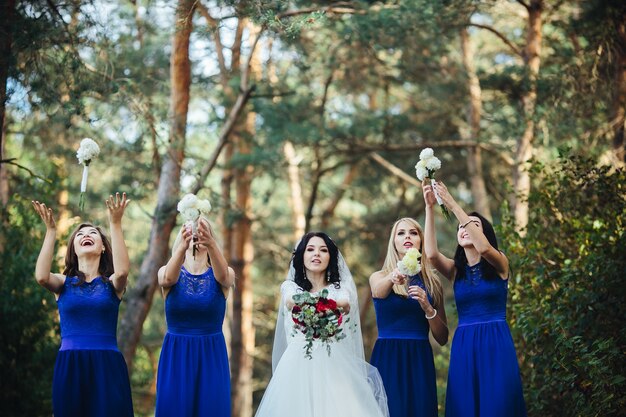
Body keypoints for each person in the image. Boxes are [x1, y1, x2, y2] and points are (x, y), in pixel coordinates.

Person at [255, 232, 389, 417]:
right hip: (296, 366)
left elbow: (345, 303)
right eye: (310, 249)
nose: (316, 254)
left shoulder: (340, 288)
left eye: (323, 250)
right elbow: (292, 301)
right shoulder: (290, 287)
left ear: (330, 257)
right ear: (302, 256)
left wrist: (319, 303)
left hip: (335, 366)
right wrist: (328, 304)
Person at [422, 180, 526, 416]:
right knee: (467, 405)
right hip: (465, 343)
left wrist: (453, 204)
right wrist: (430, 207)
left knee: (498, 403)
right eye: (461, 227)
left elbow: (486, 250)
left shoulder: (500, 262)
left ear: (484, 234)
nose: (464, 228)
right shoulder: (456, 271)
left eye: (472, 225)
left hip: (495, 341)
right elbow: (430, 254)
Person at [32, 193, 134, 417]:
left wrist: (115, 223)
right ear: (74, 249)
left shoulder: (113, 284)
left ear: (103, 247)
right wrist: (50, 232)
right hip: (70, 365)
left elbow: (124, 271)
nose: (86, 235)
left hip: (107, 365)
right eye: (80, 234)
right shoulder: (62, 283)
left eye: (92, 234)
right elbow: (41, 276)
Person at [155, 217, 235, 417]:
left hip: (211, 355)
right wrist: (181, 249)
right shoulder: (166, 272)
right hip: (177, 354)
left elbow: (224, 277)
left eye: (202, 230)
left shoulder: (225, 274)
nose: (196, 233)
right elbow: (167, 279)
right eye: (191, 229)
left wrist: (212, 244)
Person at [369, 217, 448, 417]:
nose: (407, 237)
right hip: (388, 356)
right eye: (401, 233)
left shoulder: (432, 282)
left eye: (413, 233)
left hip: (419, 357)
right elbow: (378, 292)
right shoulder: (379, 276)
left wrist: (428, 308)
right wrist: (393, 276)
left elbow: (442, 337)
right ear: (393, 241)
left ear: (421, 240)